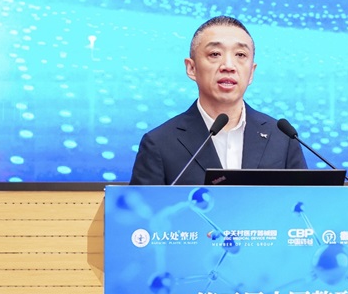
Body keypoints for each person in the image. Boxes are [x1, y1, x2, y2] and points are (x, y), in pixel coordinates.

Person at [130, 16, 307, 185]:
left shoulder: (283, 138)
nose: (228, 66)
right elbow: (142, 207)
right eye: (215, 54)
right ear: (191, 68)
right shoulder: (159, 143)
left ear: (251, 72)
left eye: (240, 55)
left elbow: (304, 202)